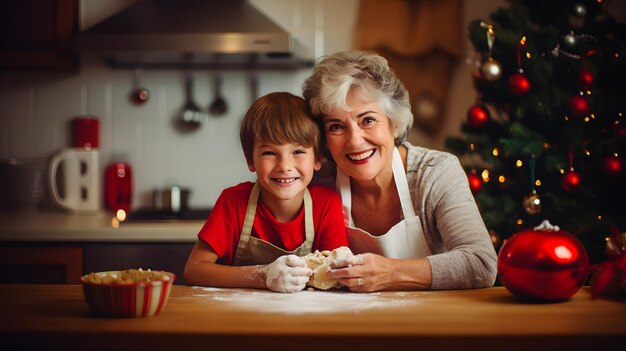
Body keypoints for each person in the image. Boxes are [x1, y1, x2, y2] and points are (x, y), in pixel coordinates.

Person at [302, 51, 497, 292]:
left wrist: (390, 273)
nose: (354, 141)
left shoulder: (434, 172)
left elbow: (481, 263)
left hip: (435, 321)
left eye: (368, 120)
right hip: (353, 324)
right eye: (336, 126)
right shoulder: (318, 180)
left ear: (394, 123)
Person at [184, 92, 349, 293]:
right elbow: (194, 270)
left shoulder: (325, 204)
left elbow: (336, 273)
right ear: (250, 160)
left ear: (317, 159)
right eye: (269, 153)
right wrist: (263, 276)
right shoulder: (234, 202)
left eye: (298, 152)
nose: (284, 166)